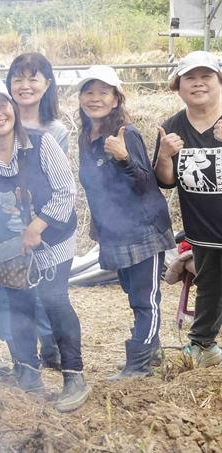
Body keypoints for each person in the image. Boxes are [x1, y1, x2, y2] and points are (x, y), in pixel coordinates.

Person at [0, 76, 89, 412]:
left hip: (53, 238)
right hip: (12, 246)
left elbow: (66, 192)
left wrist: (37, 226)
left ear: (13, 107)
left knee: (54, 299)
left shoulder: (41, 142)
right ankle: (27, 371)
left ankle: (74, 375)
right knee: (18, 305)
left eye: (2, 105)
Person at [76, 65, 173, 379]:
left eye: (103, 92)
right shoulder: (85, 137)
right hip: (115, 231)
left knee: (146, 300)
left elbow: (146, 183)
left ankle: (138, 364)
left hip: (144, 229)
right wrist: (98, 227)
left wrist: (124, 157)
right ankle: (152, 351)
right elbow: (94, 188)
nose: (95, 98)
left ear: (116, 99)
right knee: (134, 296)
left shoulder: (125, 133)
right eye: (89, 92)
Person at [153, 51, 222, 368]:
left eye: (206, 76)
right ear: (177, 86)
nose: (198, 83)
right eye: (189, 78)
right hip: (203, 228)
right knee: (210, 285)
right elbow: (165, 181)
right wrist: (165, 155)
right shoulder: (172, 127)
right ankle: (203, 345)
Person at [3, 52, 65, 369]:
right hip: (9, 221)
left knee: (46, 289)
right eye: (18, 79)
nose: (25, 85)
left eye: (33, 78)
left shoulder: (56, 130)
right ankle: (22, 357)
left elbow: (59, 182)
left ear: (47, 84)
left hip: (44, 221)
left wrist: (39, 221)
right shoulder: (1, 121)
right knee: (14, 288)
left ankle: (52, 347)